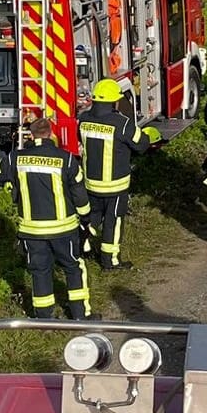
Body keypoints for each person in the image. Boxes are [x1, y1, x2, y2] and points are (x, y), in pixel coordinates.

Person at [0, 118, 96, 320]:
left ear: (31, 136)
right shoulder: (66, 159)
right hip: (64, 230)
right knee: (73, 268)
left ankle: (43, 317)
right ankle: (79, 315)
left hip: (32, 231)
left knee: (39, 271)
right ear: (51, 134)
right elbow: (80, 195)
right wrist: (86, 219)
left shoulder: (16, 158)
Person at [78, 78, 152, 271]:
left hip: (91, 184)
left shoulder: (84, 119)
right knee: (114, 220)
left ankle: (81, 241)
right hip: (115, 185)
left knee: (92, 216)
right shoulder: (123, 123)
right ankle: (110, 261)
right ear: (114, 102)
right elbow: (141, 144)